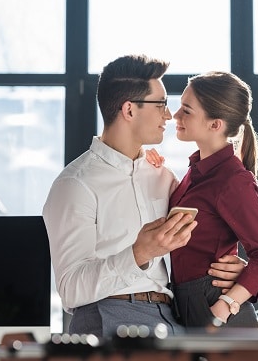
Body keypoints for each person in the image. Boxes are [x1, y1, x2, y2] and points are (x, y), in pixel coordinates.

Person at [42, 55, 246, 339]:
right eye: (161, 104)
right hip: (109, 319)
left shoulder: (164, 177)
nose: (169, 115)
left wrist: (230, 269)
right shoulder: (75, 185)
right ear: (129, 109)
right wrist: (139, 253)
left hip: (173, 319)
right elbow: (71, 289)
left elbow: (200, 242)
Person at [147, 71, 258, 328]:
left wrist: (223, 307)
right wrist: (146, 166)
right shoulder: (194, 172)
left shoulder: (233, 180)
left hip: (215, 307)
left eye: (187, 110)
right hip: (183, 300)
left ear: (215, 124)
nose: (175, 115)